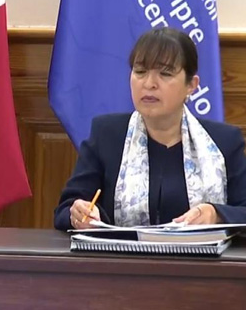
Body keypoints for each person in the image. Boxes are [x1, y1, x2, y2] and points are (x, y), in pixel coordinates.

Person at [54, 27, 246, 230]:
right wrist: (79, 214)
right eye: (140, 72)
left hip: (200, 252)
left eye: (165, 73)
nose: (149, 83)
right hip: (122, 251)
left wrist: (217, 214)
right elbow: (65, 209)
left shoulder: (224, 141)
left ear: (191, 85)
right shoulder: (106, 135)